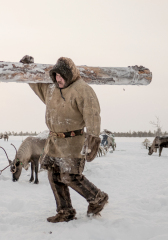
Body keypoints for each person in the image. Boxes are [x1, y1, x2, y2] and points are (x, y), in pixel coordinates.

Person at [25, 56, 109, 223]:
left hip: (73, 142)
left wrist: (93, 138)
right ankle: (65, 211)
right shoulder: (52, 89)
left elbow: (92, 114)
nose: (58, 79)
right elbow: (36, 84)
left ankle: (97, 198)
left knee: (70, 176)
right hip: (54, 141)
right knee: (54, 176)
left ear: (69, 74)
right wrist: (29, 68)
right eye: (55, 75)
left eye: (61, 76)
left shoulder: (82, 89)